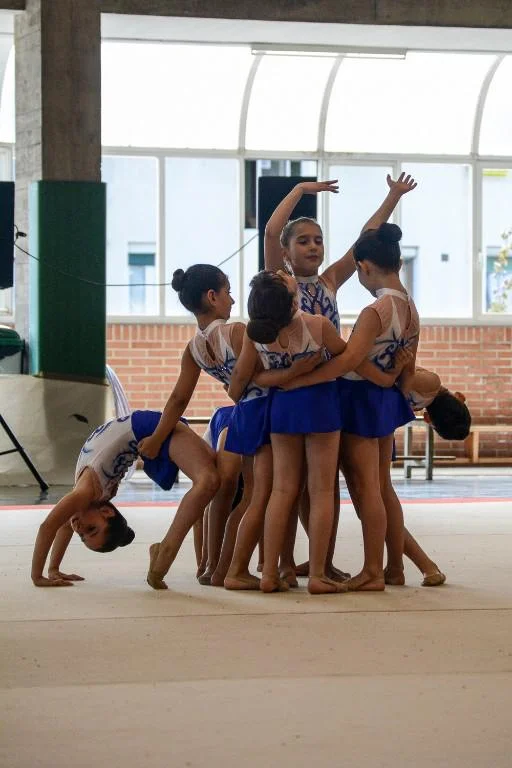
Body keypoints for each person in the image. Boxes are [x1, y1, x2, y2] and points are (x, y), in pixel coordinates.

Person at [263, 172, 418, 579]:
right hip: (291, 385)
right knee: (289, 485)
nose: (313, 246)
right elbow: (271, 232)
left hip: (327, 387)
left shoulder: (330, 281)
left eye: (318, 240)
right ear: (285, 253)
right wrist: (299, 190)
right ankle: (281, 563)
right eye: (303, 241)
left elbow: (366, 240)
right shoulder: (282, 281)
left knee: (323, 485)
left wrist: (392, 197)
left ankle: (322, 562)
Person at [138, 264, 316, 588]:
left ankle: (213, 568)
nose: (233, 300)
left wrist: (157, 438)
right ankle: (234, 570)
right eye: (228, 293)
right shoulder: (236, 331)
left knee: (236, 495)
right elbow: (259, 372)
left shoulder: (193, 348)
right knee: (255, 497)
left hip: (241, 414)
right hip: (261, 412)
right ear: (212, 296)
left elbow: (178, 399)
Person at [30, 411, 218, 589]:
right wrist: (53, 569)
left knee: (209, 481)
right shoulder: (96, 497)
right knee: (212, 477)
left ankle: (192, 560)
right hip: (141, 429)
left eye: (88, 531)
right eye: (88, 531)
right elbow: (65, 526)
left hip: (145, 427)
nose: (78, 528)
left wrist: (37, 576)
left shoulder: (84, 494)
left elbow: (48, 527)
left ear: (106, 511)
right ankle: (202, 563)